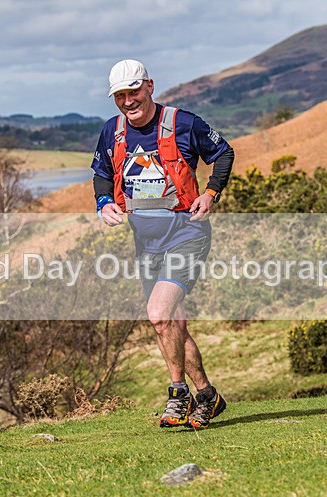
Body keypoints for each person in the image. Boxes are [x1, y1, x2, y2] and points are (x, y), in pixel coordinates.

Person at [92, 59, 234, 429]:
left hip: (188, 234)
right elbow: (102, 173)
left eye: (133, 92)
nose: (127, 101)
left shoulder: (183, 123)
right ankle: (207, 396)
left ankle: (178, 394)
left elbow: (224, 153)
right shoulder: (113, 131)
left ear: (150, 86)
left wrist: (211, 193)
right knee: (169, 323)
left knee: (158, 313)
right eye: (119, 95)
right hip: (147, 244)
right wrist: (104, 202)